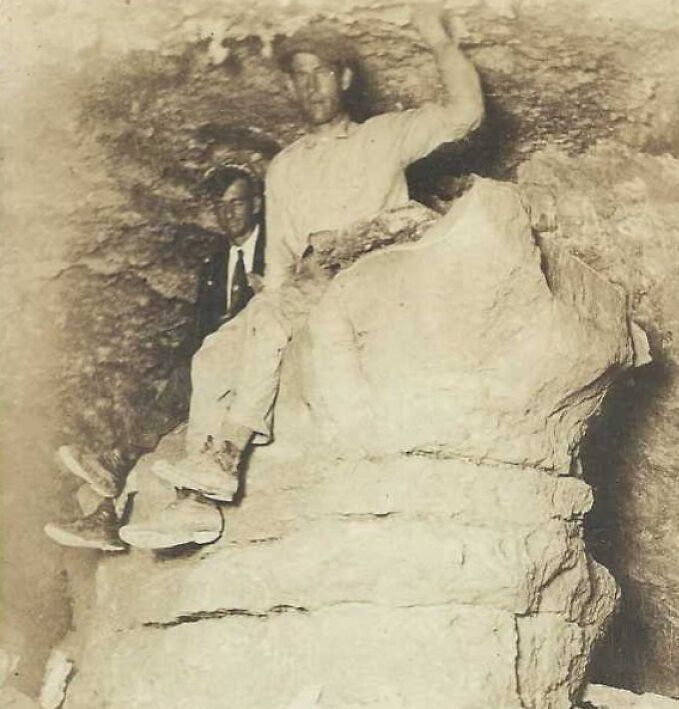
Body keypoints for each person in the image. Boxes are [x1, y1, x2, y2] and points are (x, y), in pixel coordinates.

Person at [123, 3, 485, 549]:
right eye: (299, 76)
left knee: (269, 323)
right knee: (214, 353)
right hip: (309, 287)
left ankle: (225, 455)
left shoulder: (383, 136)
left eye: (321, 72)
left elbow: (465, 112)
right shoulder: (285, 166)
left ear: (342, 79)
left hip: (373, 275)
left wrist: (439, 43)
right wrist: (269, 300)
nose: (310, 85)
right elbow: (281, 270)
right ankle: (194, 504)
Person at [44, 165, 265, 551]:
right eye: (220, 205)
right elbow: (200, 331)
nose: (229, 213)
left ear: (257, 205)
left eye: (237, 203)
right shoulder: (214, 265)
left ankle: (116, 472)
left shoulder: (274, 249)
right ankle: (109, 494)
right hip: (212, 362)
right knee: (172, 384)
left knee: (186, 380)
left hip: (244, 356)